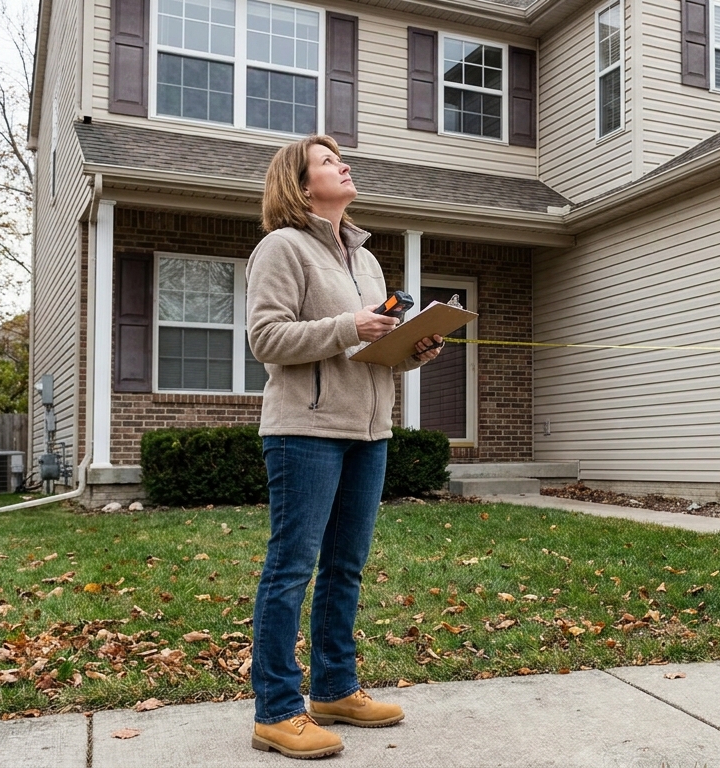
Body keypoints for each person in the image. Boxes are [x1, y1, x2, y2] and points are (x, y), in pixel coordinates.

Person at [245, 135, 443, 759]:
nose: (344, 166)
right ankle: (276, 710)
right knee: (291, 568)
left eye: (341, 158)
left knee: (346, 567)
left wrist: (411, 351)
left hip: (369, 431)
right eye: (328, 162)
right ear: (301, 185)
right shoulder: (281, 248)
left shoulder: (367, 262)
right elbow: (267, 338)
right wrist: (349, 325)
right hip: (304, 431)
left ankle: (334, 689)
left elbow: (366, 352)